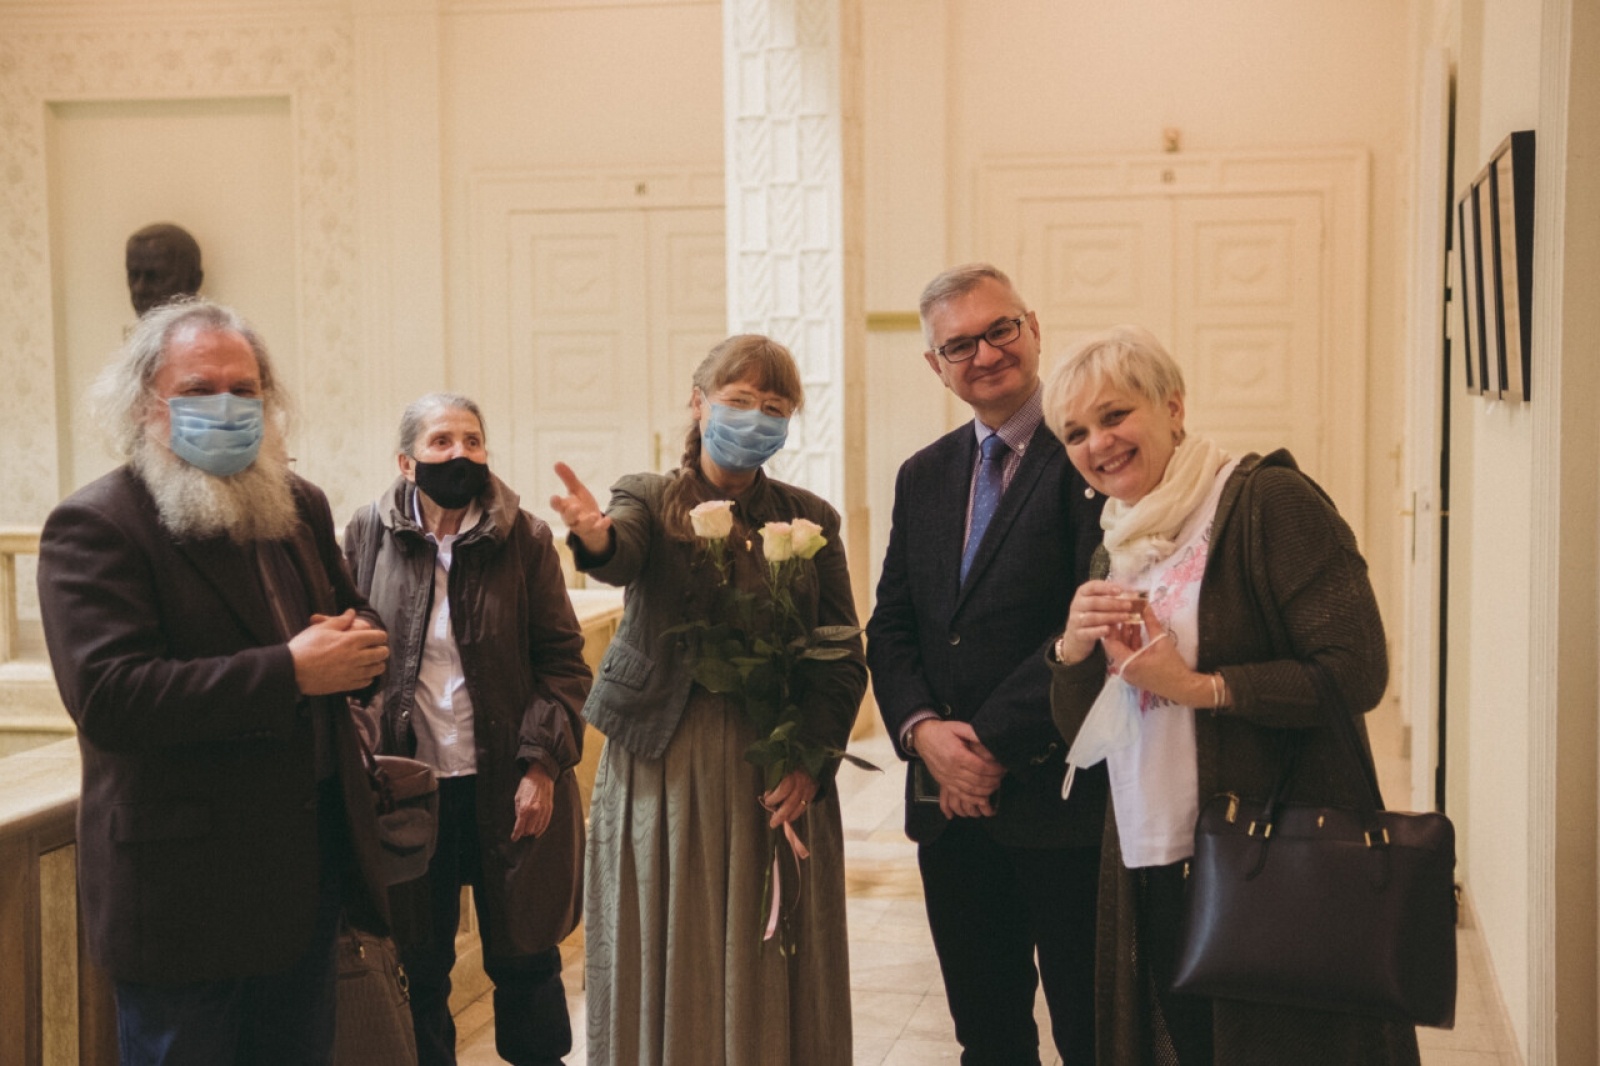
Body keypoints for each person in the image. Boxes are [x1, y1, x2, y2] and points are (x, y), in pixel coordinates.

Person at [1043, 325, 1421, 1064]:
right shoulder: (1118, 542)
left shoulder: (1263, 502)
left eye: (1115, 415)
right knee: (1187, 1044)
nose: (1098, 444)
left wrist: (1199, 687)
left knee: (1280, 1046)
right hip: (1154, 846)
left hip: (1267, 847)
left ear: (1173, 407)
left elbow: (1357, 670)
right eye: (1075, 432)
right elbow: (1082, 734)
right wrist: (1071, 649)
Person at [36, 299, 392, 1066]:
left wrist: (362, 648)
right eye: (199, 390)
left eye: (246, 388)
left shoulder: (298, 504)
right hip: (182, 897)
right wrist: (292, 671)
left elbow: (348, 619)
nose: (227, 407)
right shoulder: (97, 524)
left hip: (302, 876)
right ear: (145, 403)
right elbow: (110, 699)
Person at [550, 334, 866, 1066]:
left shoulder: (811, 517)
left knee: (769, 948)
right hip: (664, 759)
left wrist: (812, 760)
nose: (757, 417)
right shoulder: (648, 496)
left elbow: (842, 651)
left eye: (775, 406)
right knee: (668, 937)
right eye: (740, 401)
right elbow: (621, 550)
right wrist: (594, 541)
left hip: (776, 766)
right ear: (699, 404)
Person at [866, 263, 1108, 1065]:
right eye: (959, 343)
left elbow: (1097, 617)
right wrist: (924, 732)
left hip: (1063, 797)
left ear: (1033, 329)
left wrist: (989, 745)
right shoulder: (924, 475)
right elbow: (893, 624)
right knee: (988, 1033)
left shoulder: (1090, 456)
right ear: (935, 365)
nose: (985, 353)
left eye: (1000, 329)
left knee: (1092, 1030)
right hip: (951, 812)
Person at [343, 393, 592, 1066]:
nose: (461, 454)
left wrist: (540, 767)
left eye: (473, 441)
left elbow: (564, 665)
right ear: (406, 461)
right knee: (418, 969)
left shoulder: (527, 538)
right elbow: (349, 663)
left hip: (509, 785)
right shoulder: (367, 534)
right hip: (410, 790)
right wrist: (364, 757)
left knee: (526, 958)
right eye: (442, 441)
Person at [126, 222, 204, 316]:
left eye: (156, 277)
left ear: (193, 281)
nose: (139, 289)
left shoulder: (214, 329)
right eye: (133, 275)